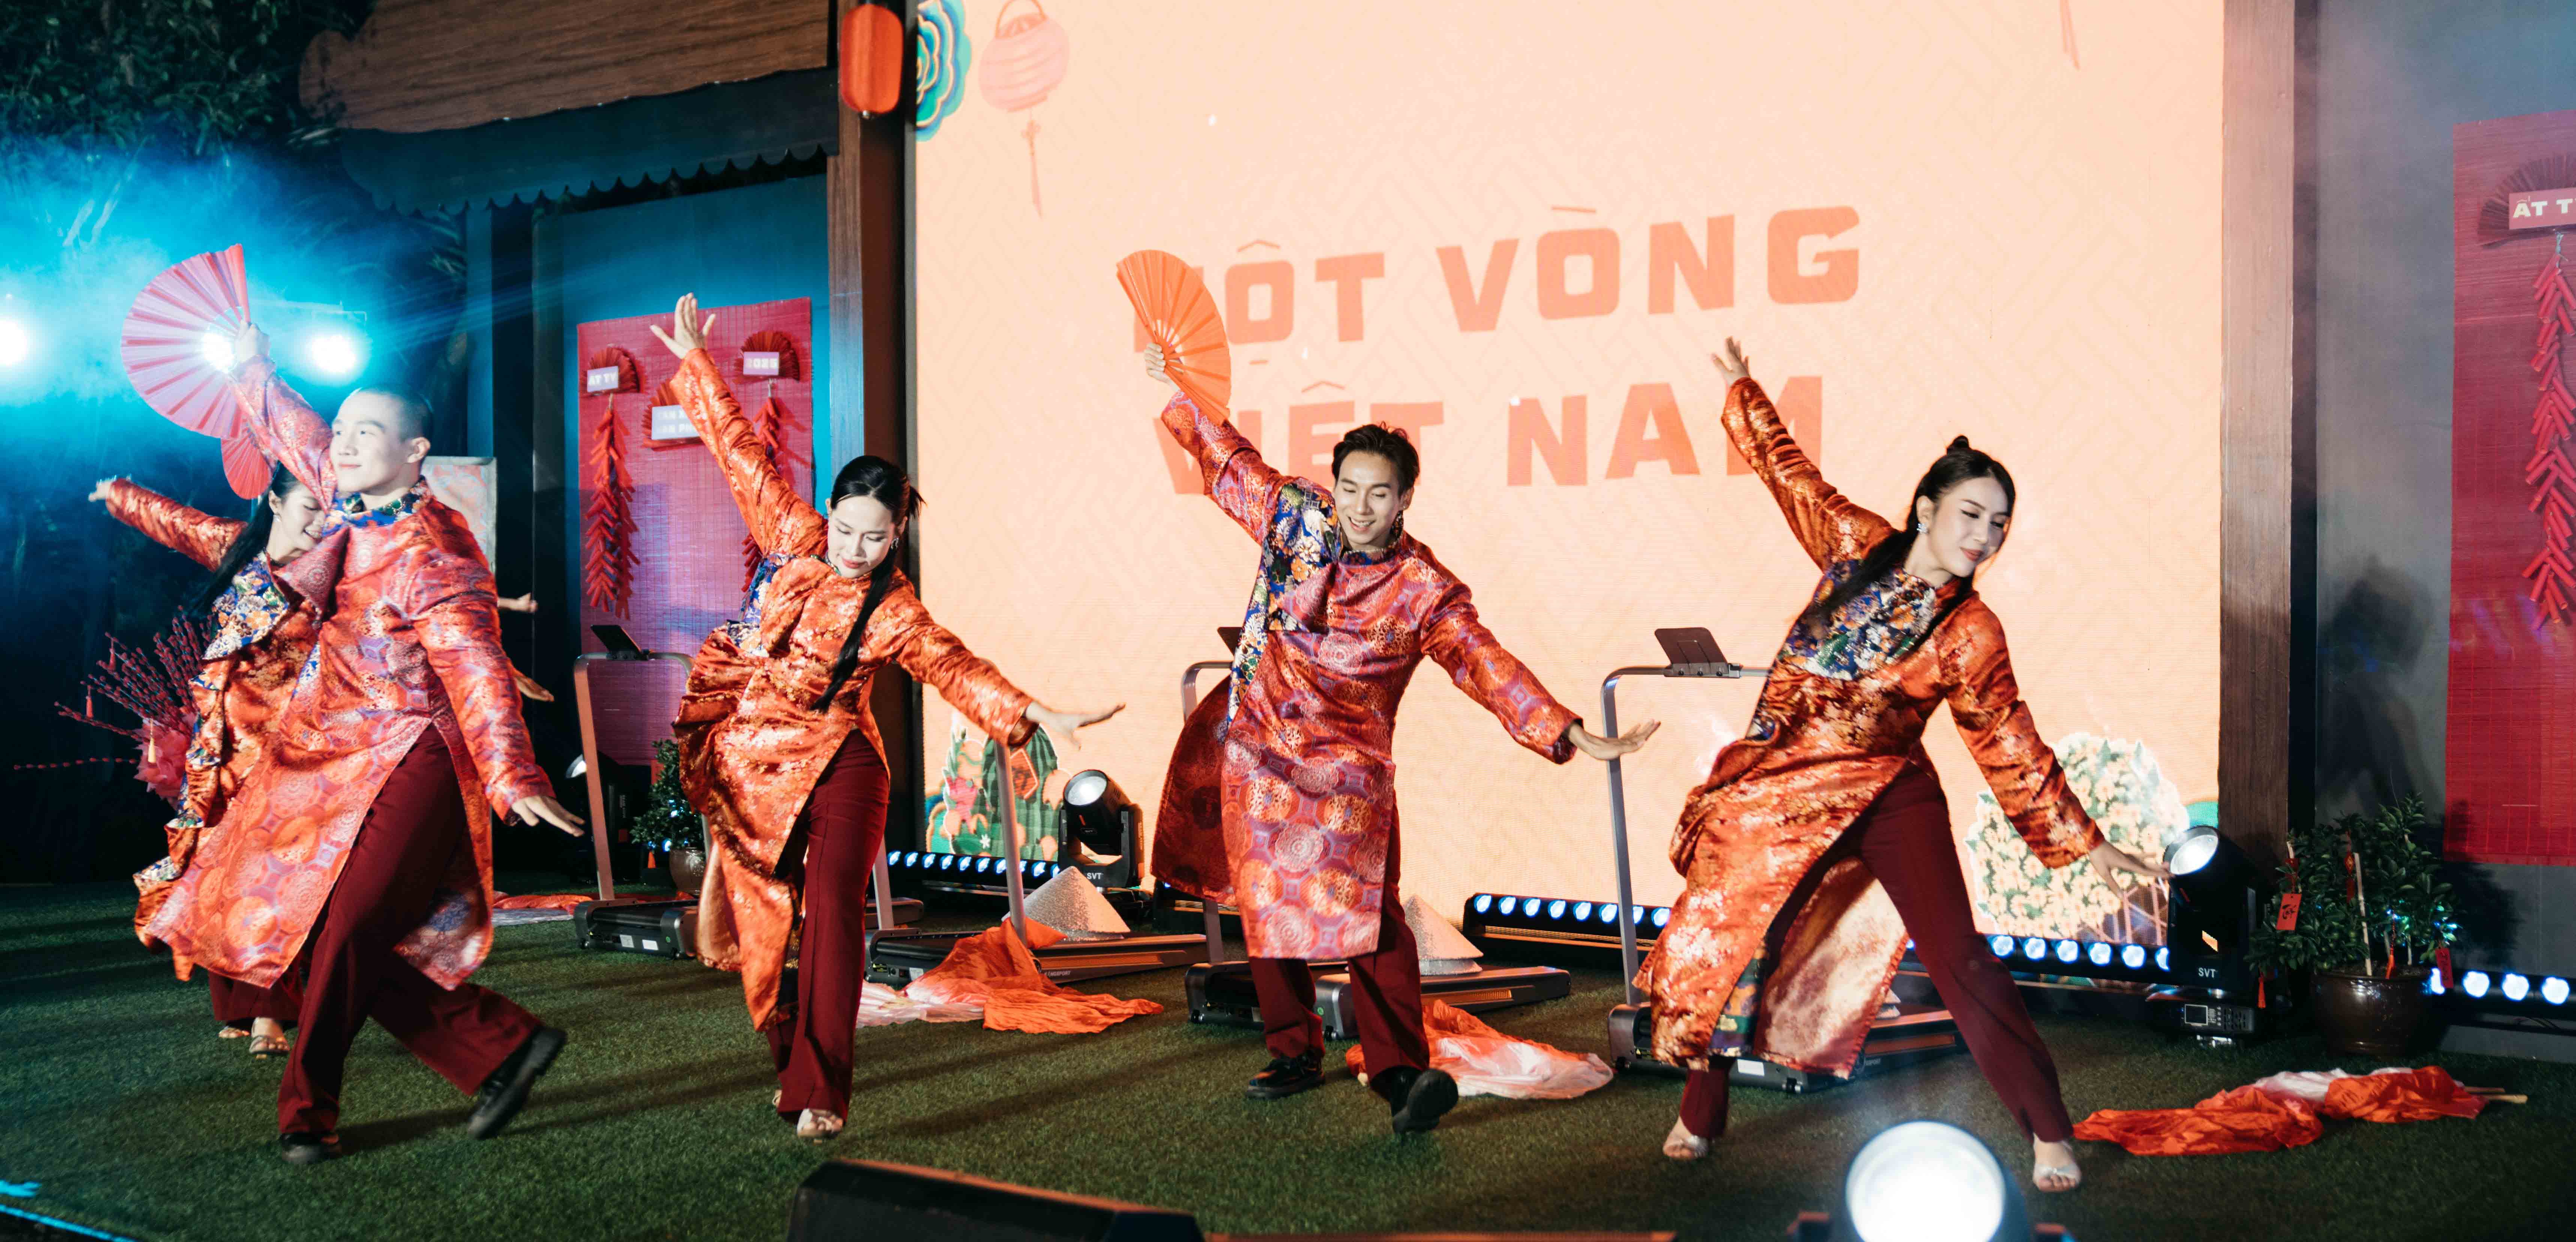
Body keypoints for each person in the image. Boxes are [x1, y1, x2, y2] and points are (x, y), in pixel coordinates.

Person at [1645, 338, 2161, 1190]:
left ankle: (2048, 1131)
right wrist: (1743, 389)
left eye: (1999, 524)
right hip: (1781, 788)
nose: (1985, 537)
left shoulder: (1971, 629)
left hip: (1891, 794)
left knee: (1963, 961)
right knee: (1738, 937)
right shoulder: (1856, 544)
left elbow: (2008, 736)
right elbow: (1791, 476)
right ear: (1926, 508)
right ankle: (1701, 1111)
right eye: (1972, 515)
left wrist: (2087, 841)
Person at [1143, 345, 1658, 1136]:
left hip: (1349, 772)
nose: (1359, 507)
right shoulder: (1293, 513)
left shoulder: (1424, 587)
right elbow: (1229, 458)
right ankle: (1291, 1050)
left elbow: (1481, 660)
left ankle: (1400, 1072)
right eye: (1349, 487)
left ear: (1405, 497)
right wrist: (1177, 389)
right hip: (1259, 749)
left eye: (1378, 493)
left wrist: (1565, 727)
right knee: (1265, 907)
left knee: (1372, 924)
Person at [648, 294, 1121, 1142]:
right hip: (759, 769)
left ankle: (822, 1092)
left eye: (874, 538)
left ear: (898, 532)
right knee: (763, 936)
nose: (853, 550)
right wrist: (697, 363)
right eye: (845, 530)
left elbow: (951, 663)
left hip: (843, 767)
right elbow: (739, 452)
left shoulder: (892, 606)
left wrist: (1033, 711)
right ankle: (794, 1065)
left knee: (832, 917)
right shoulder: (792, 533)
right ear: (828, 513)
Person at [138, 321, 588, 1164]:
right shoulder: (344, 492)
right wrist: (252, 363)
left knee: (346, 928)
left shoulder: (434, 549)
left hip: (416, 749)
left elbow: (474, 662)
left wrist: (512, 770)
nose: (341, 444)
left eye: (365, 432)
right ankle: (501, 1045)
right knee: (318, 929)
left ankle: (307, 1111)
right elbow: (294, 429)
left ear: (415, 452)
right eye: (342, 429)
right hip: (325, 748)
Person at [94, 465, 325, 1056]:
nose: (321, 522)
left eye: (330, 509)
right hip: (222, 748)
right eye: (310, 507)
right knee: (220, 876)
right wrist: (120, 495)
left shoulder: (335, 570)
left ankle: (270, 1014)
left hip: (298, 750)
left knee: (275, 879)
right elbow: (175, 522)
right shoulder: (235, 548)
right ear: (275, 501)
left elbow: (406, 604)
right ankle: (241, 1010)